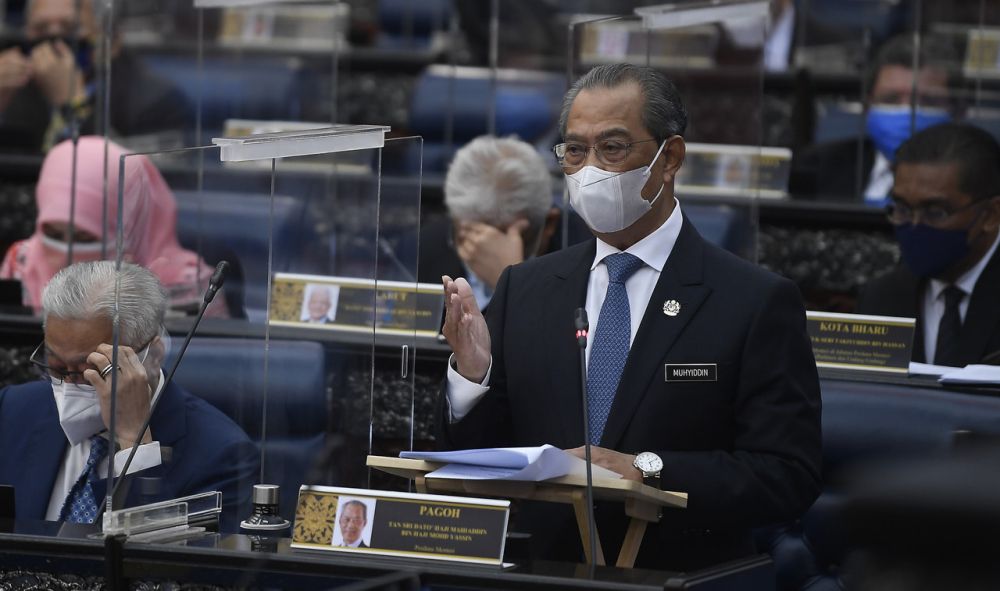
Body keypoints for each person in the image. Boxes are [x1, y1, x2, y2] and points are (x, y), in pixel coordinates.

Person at [439, 63, 822, 571]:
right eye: (575, 150)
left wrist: (648, 469)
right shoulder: (526, 287)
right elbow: (483, 455)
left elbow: (786, 475)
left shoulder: (752, 301)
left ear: (670, 158)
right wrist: (472, 377)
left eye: (612, 148)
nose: (590, 168)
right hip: (543, 574)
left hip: (677, 573)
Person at [0, 261, 258, 530]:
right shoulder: (14, 410)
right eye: (56, 366)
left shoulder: (222, 454)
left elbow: (161, 566)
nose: (69, 385)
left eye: (92, 369)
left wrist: (135, 443)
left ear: (152, 356)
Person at [1, 135, 226, 316]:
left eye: (85, 238)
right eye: (53, 234)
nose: (66, 252)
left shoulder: (188, 285)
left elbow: (212, 367)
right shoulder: (22, 262)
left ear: (129, 226)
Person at [856, 123, 1000, 367]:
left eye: (935, 212)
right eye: (902, 209)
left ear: (991, 216)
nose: (914, 225)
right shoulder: (880, 299)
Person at [0, 0, 189, 152]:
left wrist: (74, 106)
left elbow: (137, 177)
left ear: (111, 41)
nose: (53, 41)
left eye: (70, 28)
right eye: (40, 28)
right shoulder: (14, 86)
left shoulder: (156, 101)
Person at [789, 34, 958, 204]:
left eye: (928, 101)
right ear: (867, 105)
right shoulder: (819, 165)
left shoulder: (974, 180)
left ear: (957, 109)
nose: (906, 111)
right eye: (891, 99)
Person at [418, 135, 559, 311]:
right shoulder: (420, 250)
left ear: (549, 225)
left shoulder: (582, 266)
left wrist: (511, 282)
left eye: (497, 237)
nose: (481, 247)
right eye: (470, 233)